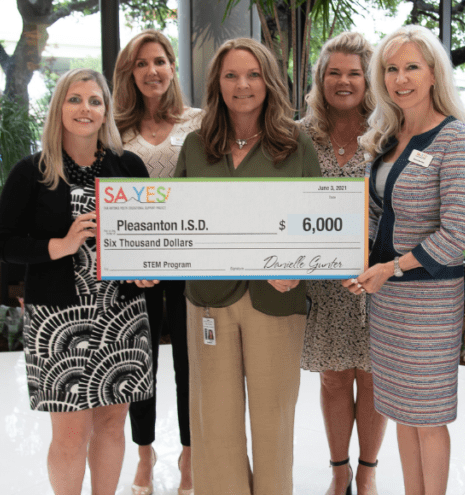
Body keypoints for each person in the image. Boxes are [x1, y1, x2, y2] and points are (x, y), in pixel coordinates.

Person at [170, 37, 320, 495]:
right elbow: (174, 222)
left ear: (269, 81)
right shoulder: (196, 146)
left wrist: (300, 266)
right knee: (213, 421)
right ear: (217, 82)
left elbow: (316, 223)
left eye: (253, 74)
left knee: (274, 421)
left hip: (276, 299)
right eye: (231, 74)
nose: (243, 84)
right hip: (208, 302)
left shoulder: (295, 144)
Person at [0, 68, 152, 495]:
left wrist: (146, 271)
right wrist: (59, 246)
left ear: (106, 111)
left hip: (120, 314)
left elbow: (146, 236)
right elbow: (4, 244)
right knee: (69, 435)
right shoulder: (32, 171)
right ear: (59, 107)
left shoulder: (127, 165)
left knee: (112, 425)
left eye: (95, 101)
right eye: (75, 99)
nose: (86, 109)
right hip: (58, 318)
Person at [345, 25, 465, 495]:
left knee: (428, 417)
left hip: (427, 301)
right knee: (401, 411)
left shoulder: (456, 138)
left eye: (411, 67)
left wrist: (392, 267)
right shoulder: (388, 136)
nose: (400, 78)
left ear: (433, 73)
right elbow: (375, 214)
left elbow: (459, 232)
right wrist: (358, 260)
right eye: (391, 69)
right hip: (386, 299)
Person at [113, 29, 202, 495]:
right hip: (137, 265)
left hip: (189, 260)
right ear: (131, 72)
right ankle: (145, 454)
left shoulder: (199, 122)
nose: (153, 71)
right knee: (139, 362)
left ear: (172, 68)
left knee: (190, 363)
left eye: (160, 61)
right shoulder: (114, 127)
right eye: (142, 63)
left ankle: (190, 455)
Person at [299, 31, 388, 495]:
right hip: (323, 284)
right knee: (334, 377)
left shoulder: (390, 133)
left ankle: (368, 471)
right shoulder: (299, 136)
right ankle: (339, 470)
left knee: (374, 377)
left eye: (354, 72)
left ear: (368, 78)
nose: (344, 80)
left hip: (379, 280)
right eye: (334, 72)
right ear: (321, 78)